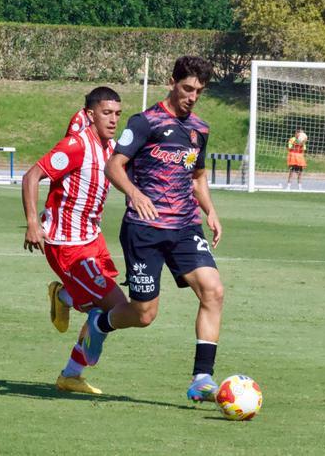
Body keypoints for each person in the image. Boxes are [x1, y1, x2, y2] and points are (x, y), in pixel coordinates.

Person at [99, 55, 226, 403]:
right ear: (172, 82)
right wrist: (135, 194)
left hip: (186, 226)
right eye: (187, 88)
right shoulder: (145, 122)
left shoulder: (199, 129)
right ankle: (101, 324)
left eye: (199, 91)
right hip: (145, 229)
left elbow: (197, 177)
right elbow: (114, 167)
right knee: (144, 315)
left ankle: (202, 377)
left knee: (213, 291)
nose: (192, 96)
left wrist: (211, 211)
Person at [22, 87, 132, 395]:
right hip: (67, 245)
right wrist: (33, 223)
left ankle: (71, 373)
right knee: (115, 308)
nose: (113, 119)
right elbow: (32, 176)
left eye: (117, 114)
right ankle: (66, 301)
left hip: (93, 239)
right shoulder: (76, 146)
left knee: (106, 311)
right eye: (106, 113)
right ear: (90, 114)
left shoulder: (110, 147)